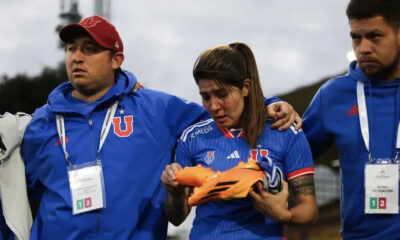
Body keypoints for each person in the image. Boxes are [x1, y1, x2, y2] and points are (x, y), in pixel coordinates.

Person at [21, 16, 300, 239]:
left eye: (90, 49)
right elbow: (22, 199)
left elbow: (223, 110)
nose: (77, 57)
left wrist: (270, 104)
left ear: (116, 60)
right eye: (72, 48)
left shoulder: (155, 109)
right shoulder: (41, 124)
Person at [161, 42, 318, 239]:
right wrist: (175, 193)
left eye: (221, 94)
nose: (214, 106)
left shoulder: (285, 132)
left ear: (245, 87)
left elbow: (309, 210)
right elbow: (177, 218)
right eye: (206, 97)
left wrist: (284, 214)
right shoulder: (192, 138)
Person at [302, 0, 400, 239]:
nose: (364, 48)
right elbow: (291, 154)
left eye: (374, 36)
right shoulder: (333, 96)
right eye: (356, 38)